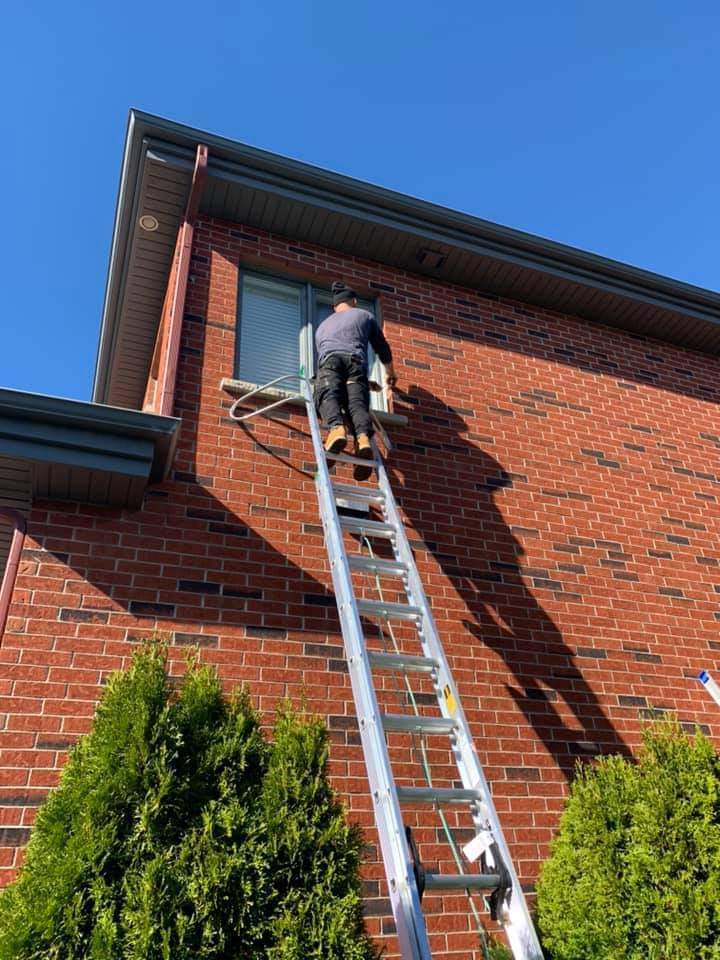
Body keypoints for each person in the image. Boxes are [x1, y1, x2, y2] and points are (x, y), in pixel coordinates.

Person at [315, 281, 397, 480]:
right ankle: (362, 439)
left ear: (335, 306)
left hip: (331, 363)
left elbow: (333, 381)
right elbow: (382, 347)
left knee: (327, 394)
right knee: (357, 402)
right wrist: (390, 373)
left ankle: (336, 429)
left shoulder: (322, 327)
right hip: (355, 362)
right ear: (354, 301)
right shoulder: (364, 316)